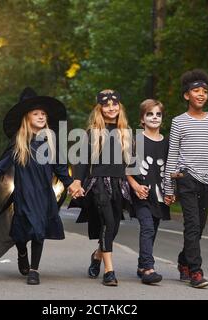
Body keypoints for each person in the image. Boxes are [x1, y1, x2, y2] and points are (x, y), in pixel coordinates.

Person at [0, 87, 83, 285]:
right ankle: (21, 251)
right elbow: (0, 167)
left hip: (43, 195)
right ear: (27, 117)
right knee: (21, 232)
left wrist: (71, 184)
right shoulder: (18, 142)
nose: (41, 116)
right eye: (36, 113)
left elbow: (59, 168)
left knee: (39, 230)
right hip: (22, 195)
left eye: (43, 114)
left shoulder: (51, 141)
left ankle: (34, 270)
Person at [164, 69, 208, 288]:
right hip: (186, 178)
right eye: (196, 91)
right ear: (186, 95)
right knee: (191, 225)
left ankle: (184, 261)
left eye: (204, 91)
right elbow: (172, 155)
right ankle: (196, 271)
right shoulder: (178, 122)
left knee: (199, 227)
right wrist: (169, 188)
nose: (201, 94)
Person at [69, 89, 132, 286]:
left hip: (119, 184)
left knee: (113, 227)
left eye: (114, 104)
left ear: (119, 106)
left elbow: (133, 165)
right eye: (106, 105)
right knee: (108, 223)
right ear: (100, 108)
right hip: (98, 183)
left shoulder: (126, 133)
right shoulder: (92, 133)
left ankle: (97, 256)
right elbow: (81, 161)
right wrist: (77, 181)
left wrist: (139, 186)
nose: (111, 108)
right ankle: (109, 272)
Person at [126, 99, 170, 285]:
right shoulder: (136, 140)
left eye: (158, 114)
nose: (154, 117)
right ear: (142, 119)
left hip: (159, 195)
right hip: (141, 192)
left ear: (162, 118)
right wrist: (135, 186)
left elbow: (170, 170)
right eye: (149, 114)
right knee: (147, 227)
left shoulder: (167, 143)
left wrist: (170, 191)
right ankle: (148, 268)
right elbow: (125, 168)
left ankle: (141, 265)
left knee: (153, 230)